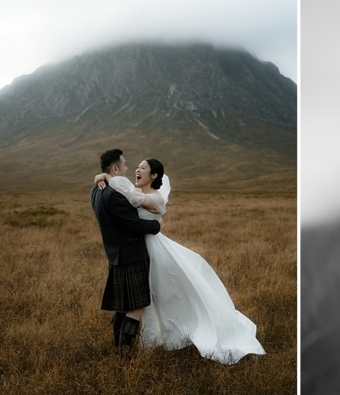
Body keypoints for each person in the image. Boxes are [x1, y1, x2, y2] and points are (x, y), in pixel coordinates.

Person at [95, 159, 265, 364]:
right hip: (140, 251)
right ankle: (130, 349)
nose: (137, 170)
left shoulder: (155, 198)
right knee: (140, 303)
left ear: (154, 176)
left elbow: (131, 196)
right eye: (137, 167)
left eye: (143, 168)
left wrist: (108, 177)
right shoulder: (138, 192)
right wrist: (104, 177)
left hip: (153, 252)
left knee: (164, 296)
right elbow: (129, 195)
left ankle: (171, 336)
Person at [90, 149, 163, 349]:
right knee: (137, 308)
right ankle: (124, 353)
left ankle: (119, 349)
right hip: (131, 254)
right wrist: (156, 226)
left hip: (116, 254)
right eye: (124, 164)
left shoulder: (96, 190)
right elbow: (133, 225)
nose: (128, 168)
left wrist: (103, 177)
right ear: (115, 168)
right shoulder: (114, 194)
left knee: (122, 308)